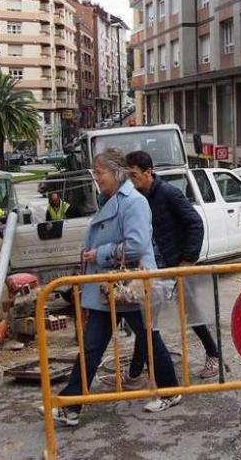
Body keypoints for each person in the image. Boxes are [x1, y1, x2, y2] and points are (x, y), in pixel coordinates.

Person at [43, 148, 181, 427]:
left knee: (147, 339)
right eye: (95, 172)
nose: (96, 178)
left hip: (127, 287)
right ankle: (72, 404)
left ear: (116, 173)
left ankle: (170, 390)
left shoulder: (134, 202)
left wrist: (100, 254)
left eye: (100, 172)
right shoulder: (113, 199)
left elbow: (138, 245)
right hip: (110, 288)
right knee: (93, 345)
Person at [125, 150, 220, 385]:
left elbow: (195, 224)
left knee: (192, 314)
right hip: (152, 269)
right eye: (129, 175)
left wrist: (187, 260)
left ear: (149, 172)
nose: (131, 179)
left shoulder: (168, 193)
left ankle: (213, 356)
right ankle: (135, 372)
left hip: (175, 265)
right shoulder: (137, 197)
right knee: (147, 321)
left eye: (135, 175)